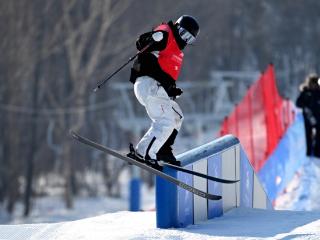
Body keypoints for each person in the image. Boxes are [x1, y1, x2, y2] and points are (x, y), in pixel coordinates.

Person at [127, 15, 200, 167]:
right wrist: (152, 38)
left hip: (155, 87)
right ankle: (144, 153)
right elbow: (142, 43)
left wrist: (171, 89)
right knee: (165, 121)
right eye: (183, 34)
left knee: (176, 116)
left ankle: (163, 150)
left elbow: (163, 73)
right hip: (148, 84)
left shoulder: (176, 50)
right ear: (177, 27)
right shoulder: (166, 35)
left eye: (189, 39)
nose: (185, 40)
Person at [296, 73, 320, 158]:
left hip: (318, 117)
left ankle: (317, 152)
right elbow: (298, 103)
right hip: (308, 118)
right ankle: (309, 152)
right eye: (312, 84)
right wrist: (305, 107)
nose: (314, 86)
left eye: (315, 84)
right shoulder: (306, 92)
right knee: (308, 135)